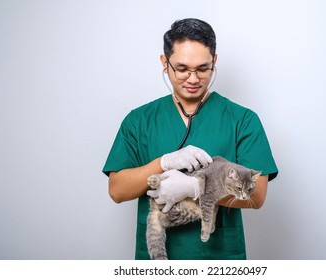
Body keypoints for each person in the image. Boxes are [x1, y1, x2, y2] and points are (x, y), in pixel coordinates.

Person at [103, 18, 278, 260]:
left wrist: (195, 188)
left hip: (219, 259)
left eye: (203, 69)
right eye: (182, 69)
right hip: (157, 257)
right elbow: (117, 190)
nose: (193, 79)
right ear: (165, 63)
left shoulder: (242, 120)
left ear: (214, 62)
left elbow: (257, 196)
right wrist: (163, 163)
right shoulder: (139, 120)